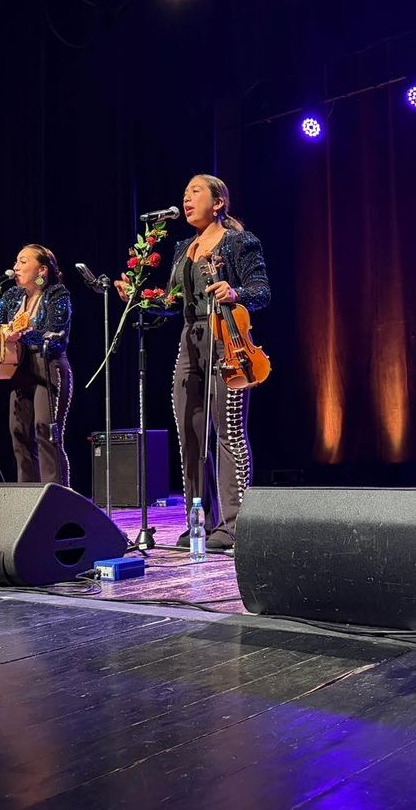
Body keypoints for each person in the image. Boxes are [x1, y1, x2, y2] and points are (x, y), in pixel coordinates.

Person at [116, 174, 270, 550]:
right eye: (184, 193)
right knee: (190, 433)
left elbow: (262, 291)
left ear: (218, 203)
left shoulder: (239, 241)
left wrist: (235, 291)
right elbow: (171, 303)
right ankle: (199, 521)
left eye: (195, 192)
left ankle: (235, 525)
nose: (186, 199)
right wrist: (137, 299)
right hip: (191, 339)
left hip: (228, 338)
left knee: (229, 432)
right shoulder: (185, 246)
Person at [0, 244, 73, 485]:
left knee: (46, 433)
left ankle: (56, 497)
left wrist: (22, 335)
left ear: (42, 269)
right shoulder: (12, 296)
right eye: (16, 261)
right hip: (20, 371)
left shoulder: (57, 294)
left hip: (49, 368)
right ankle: (28, 498)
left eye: (22, 262)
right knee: (19, 434)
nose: (15, 267)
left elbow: (56, 335)